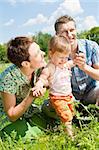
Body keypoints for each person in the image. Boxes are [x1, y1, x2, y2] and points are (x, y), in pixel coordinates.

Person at [0, 36, 47, 139]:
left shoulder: (39, 66)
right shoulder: (8, 79)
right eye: (38, 53)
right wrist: (31, 96)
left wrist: (41, 84)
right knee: (27, 136)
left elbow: (47, 79)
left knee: (45, 125)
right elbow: (11, 115)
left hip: (27, 109)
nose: (43, 53)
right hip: (6, 113)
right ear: (26, 63)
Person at [32, 35, 75, 138]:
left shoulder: (64, 64)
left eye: (66, 57)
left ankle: (52, 119)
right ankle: (70, 137)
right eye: (61, 57)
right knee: (66, 116)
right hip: (57, 97)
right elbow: (42, 78)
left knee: (71, 113)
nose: (64, 60)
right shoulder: (50, 67)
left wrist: (77, 60)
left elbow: (71, 63)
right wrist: (39, 85)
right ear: (51, 54)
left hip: (68, 96)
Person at [54, 15, 99, 106]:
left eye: (72, 30)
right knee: (48, 105)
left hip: (92, 93)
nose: (69, 35)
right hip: (69, 97)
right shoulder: (56, 54)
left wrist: (84, 67)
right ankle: (74, 112)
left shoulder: (91, 46)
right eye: (64, 32)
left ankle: (95, 112)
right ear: (57, 35)